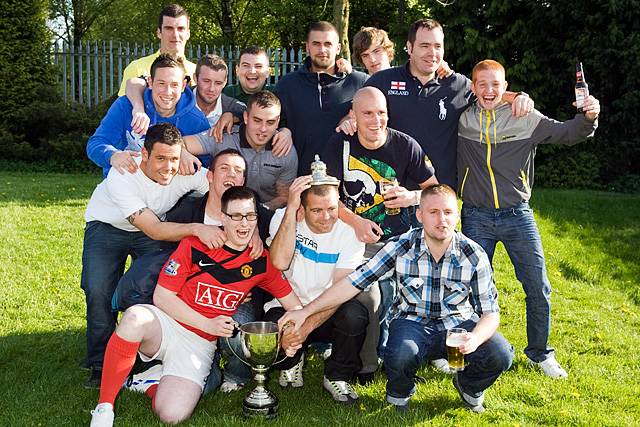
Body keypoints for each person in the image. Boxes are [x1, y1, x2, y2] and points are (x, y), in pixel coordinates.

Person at [279, 184, 514, 413]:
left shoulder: (473, 254)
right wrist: (305, 311)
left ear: (457, 216)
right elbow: (353, 283)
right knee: (402, 353)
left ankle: (469, 387)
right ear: (420, 215)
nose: (441, 220)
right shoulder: (402, 246)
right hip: (412, 323)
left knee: (501, 353)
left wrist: (474, 337)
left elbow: (490, 312)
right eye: (433, 212)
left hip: (458, 326)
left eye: (448, 212)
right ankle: (399, 394)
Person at [88, 186, 303, 427]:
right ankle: (104, 408)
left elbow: (295, 307)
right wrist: (208, 323)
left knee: (172, 415)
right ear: (223, 218)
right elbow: (162, 297)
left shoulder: (261, 261)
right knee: (135, 317)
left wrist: (292, 334)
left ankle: (150, 381)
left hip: (199, 343)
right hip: (167, 324)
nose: (244, 224)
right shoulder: (197, 244)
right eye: (236, 216)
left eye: (250, 216)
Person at [457, 59, 600, 379]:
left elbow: (567, 133)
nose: (490, 90)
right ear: (473, 87)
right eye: (483, 84)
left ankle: (539, 353)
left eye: (497, 85)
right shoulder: (462, 118)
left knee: (538, 287)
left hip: (517, 215)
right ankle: (476, 350)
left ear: (506, 87)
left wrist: (589, 116)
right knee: (471, 289)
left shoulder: (525, 117)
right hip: (475, 215)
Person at [111, 149, 269, 394]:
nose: (231, 175)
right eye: (224, 168)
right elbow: (165, 255)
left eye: (238, 171)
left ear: (244, 181)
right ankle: (162, 371)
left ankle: (235, 375)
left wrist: (256, 236)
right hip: (192, 299)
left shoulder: (256, 215)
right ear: (210, 176)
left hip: (235, 298)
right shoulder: (189, 210)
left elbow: (268, 263)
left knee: (242, 329)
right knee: (205, 388)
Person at [81, 123, 226, 388]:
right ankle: (101, 363)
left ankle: (146, 353)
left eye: (173, 158)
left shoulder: (184, 169)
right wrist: (196, 228)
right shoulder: (123, 173)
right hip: (108, 227)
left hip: (150, 229)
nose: (168, 167)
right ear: (144, 155)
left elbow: (218, 185)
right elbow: (156, 230)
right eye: (160, 158)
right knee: (99, 288)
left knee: (157, 285)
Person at [323, 86, 438, 362]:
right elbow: (326, 199)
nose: (376, 120)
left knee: (393, 294)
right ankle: (357, 352)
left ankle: (384, 352)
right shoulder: (339, 144)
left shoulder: (405, 145)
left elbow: (437, 192)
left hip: (395, 240)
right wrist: (356, 222)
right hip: (349, 239)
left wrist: (411, 197)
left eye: (381, 113)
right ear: (353, 115)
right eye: (368, 113)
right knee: (368, 295)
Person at [361, 19, 533, 188]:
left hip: (439, 197)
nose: (432, 53)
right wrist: (347, 121)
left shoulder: (457, 85)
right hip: (391, 193)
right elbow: (354, 113)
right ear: (410, 47)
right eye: (425, 46)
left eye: (437, 46)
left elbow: (488, 94)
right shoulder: (382, 81)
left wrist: (518, 96)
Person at [265, 174, 368, 404]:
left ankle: (337, 375)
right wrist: (291, 211)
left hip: (327, 308)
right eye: (316, 211)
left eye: (331, 208)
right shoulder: (284, 218)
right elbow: (279, 263)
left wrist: (306, 324)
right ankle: (293, 361)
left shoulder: (350, 231)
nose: (326, 218)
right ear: (302, 207)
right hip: (288, 305)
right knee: (273, 330)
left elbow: (341, 290)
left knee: (354, 315)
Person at [87, 54, 209, 178]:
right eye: (161, 83)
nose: (167, 91)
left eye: (174, 85)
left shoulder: (197, 120)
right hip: (125, 184)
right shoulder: (125, 107)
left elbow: (207, 164)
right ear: (150, 82)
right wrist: (112, 155)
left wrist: (185, 158)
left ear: (183, 86)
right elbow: (96, 143)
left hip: (170, 191)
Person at [275, 21, 368, 175]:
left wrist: (355, 118)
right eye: (316, 44)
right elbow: (268, 117)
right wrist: (283, 129)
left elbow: (382, 116)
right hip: (301, 178)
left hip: (350, 181)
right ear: (307, 47)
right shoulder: (287, 85)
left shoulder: (359, 82)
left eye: (328, 44)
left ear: (338, 48)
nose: (322, 49)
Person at [182, 91, 297, 209]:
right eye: (257, 120)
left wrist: (257, 211)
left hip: (265, 213)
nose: (263, 129)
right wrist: (183, 153)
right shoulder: (223, 137)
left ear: (278, 121)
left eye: (270, 122)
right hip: (222, 210)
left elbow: (284, 197)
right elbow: (179, 143)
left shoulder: (284, 149)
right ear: (246, 117)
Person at [117, 4, 195, 96]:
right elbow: (123, 107)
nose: (175, 35)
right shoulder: (137, 69)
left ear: (188, 33)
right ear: (159, 32)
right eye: (169, 28)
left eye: (181, 29)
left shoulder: (197, 72)